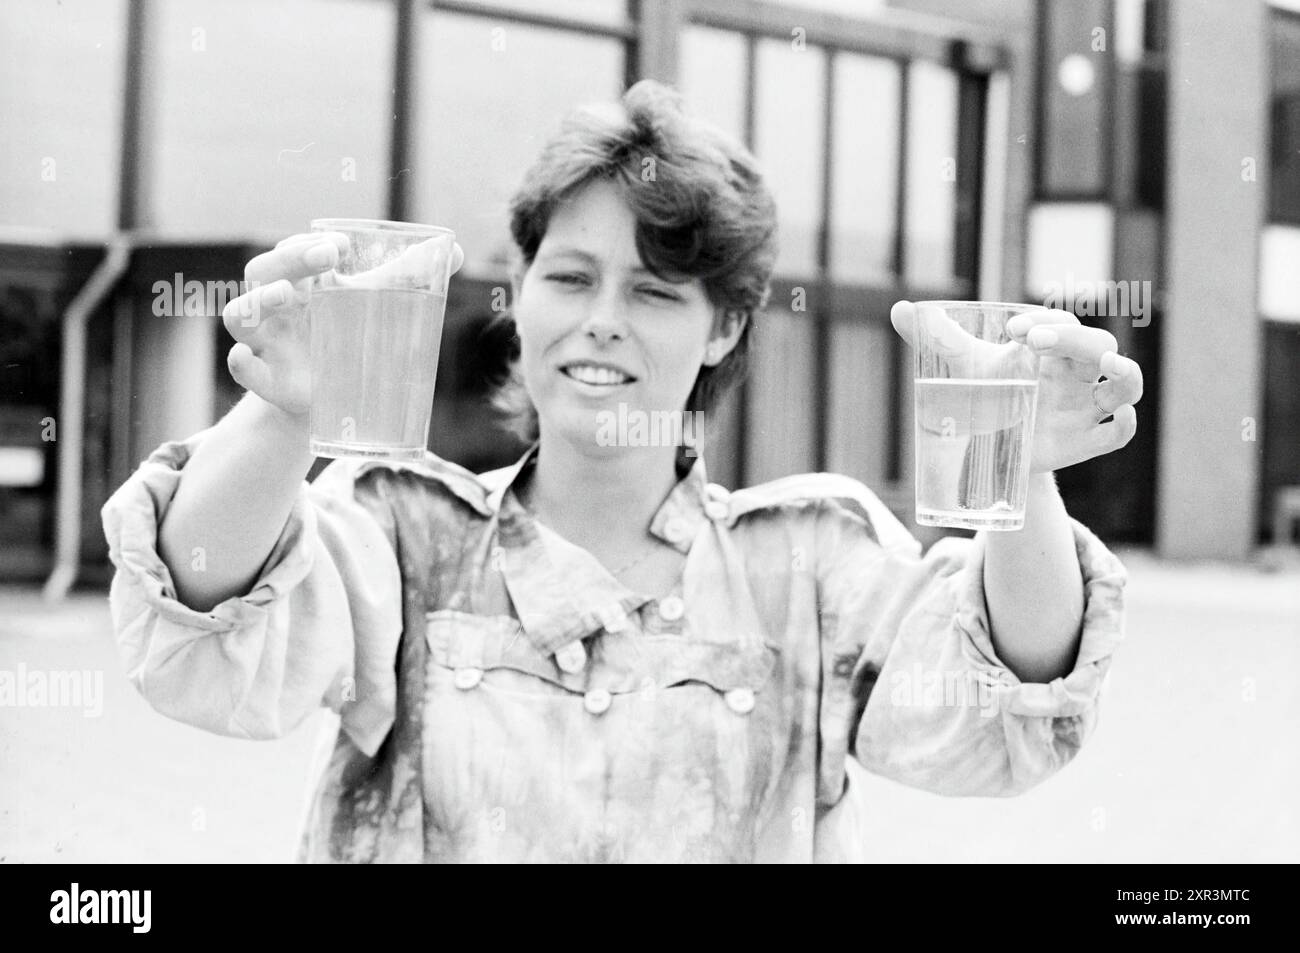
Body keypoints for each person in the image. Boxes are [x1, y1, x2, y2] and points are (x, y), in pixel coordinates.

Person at [101, 80, 1143, 863]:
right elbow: (199, 638)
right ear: (518, 294)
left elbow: (1002, 713)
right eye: (570, 276)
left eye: (653, 291)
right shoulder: (402, 527)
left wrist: (1022, 475)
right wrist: (284, 414)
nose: (600, 320)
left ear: (726, 325)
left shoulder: (811, 558)